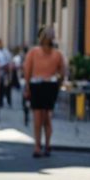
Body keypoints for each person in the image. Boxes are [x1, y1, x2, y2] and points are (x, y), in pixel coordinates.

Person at [24, 27, 65, 157]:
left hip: (39, 86)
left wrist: (27, 87)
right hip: (48, 86)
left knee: (39, 117)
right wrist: (57, 83)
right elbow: (62, 73)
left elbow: (27, 71)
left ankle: (38, 146)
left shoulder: (35, 52)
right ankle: (45, 145)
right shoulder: (56, 54)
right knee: (46, 117)